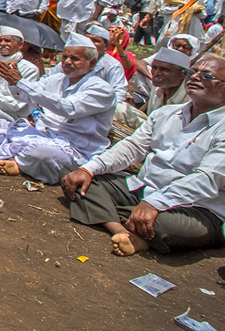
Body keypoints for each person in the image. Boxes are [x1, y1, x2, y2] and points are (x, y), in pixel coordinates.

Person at [61, 54, 225, 257]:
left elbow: (207, 179)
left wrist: (155, 203)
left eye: (206, 75)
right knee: (75, 173)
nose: (195, 77)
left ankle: (114, 214)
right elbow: (133, 147)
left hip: (195, 207)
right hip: (144, 188)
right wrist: (89, 169)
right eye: (193, 72)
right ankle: (122, 229)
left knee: (165, 226)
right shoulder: (167, 114)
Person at [0, 33, 116, 184]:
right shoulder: (57, 79)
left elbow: (67, 108)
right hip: (42, 133)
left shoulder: (101, 89)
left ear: (91, 64)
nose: (67, 62)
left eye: (75, 59)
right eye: (64, 57)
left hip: (73, 147)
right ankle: (20, 159)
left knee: (42, 153)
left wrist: (21, 82)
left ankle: (18, 161)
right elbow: (25, 96)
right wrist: (14, 83)